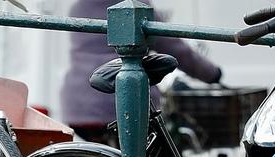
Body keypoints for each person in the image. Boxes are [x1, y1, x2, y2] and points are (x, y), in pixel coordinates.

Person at [61, 0, 223, 142]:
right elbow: (176, 49)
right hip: (117, 101)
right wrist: (212, 73)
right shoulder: (137, 9)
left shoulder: (79, 7)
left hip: (78, 106)